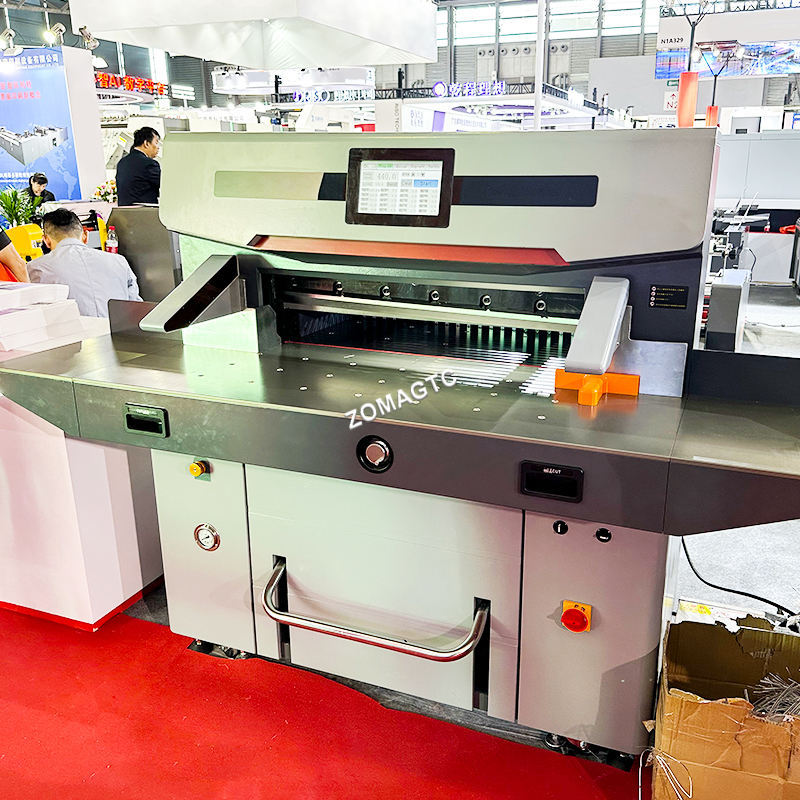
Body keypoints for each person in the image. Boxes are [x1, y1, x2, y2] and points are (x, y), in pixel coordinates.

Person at [28, 208, 141, 317]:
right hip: (119, 329)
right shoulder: (119, 261)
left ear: (46, 240)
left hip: (72, 330)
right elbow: (137, 307)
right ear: (85, 236)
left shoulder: (36, 268)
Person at [115, 126, 161, 206]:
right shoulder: (149, 164)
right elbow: (165, 184)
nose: (158, 147)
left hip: (124, 210)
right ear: (146, 143)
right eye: (156, 143)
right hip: (144, 211)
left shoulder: (122, 162)